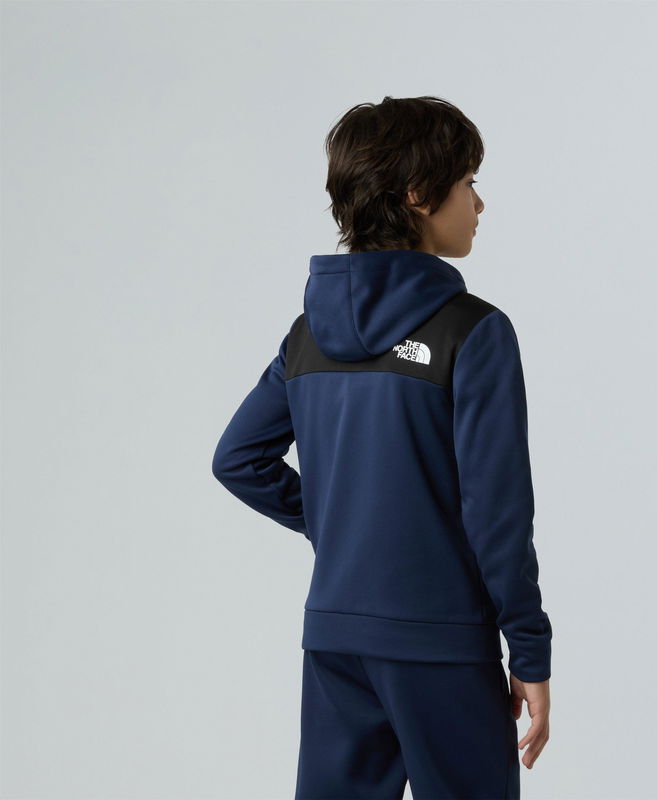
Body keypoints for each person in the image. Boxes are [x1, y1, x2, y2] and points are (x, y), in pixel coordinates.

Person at [212, 95, 553, 799]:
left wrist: (339, 524)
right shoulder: (472, 332)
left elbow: (239, 459)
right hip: (441, 639)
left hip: (336, 637)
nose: (479, 204)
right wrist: (529, 649)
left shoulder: (308, 336)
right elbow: (497, 512)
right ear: (420, 195)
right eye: (469, 183)